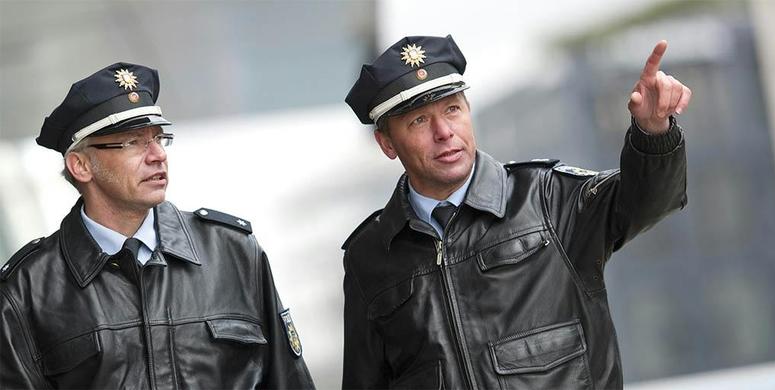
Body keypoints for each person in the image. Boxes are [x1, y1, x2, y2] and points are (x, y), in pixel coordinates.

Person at [341, 35, 690, 389]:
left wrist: (653, 131)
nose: (444, 132)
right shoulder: (368, 257)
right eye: (418, 121)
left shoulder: (547, 196)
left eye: (452, 109)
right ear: (387, 143)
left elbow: (650, 200)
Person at [0, 63, 314, 389]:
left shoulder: (233, 252)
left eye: (159, 138)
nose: (157, 155)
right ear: (80, 165)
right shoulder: (27, 288)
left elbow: (289, 381)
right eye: (133, 142)